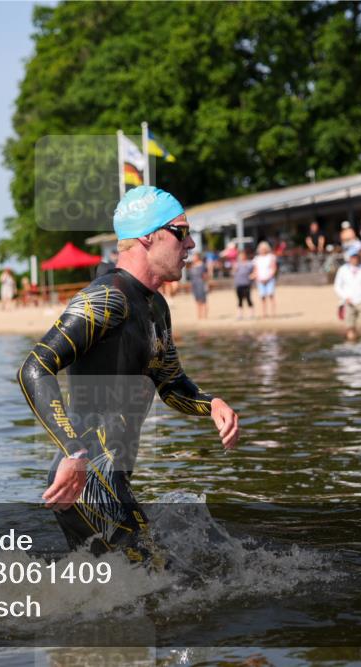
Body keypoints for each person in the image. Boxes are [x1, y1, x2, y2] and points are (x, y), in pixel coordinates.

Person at [17, 185, 240, 560]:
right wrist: (73, 452)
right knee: (160, 588)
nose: (191, 246)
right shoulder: (105, 299)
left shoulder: (156, 308)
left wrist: (211, 403)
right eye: (181, 232)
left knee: (119, 598)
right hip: (88, 478)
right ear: (148, 237)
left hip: (108, 478)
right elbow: (34, 367)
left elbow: (170, 383)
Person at [333, 243, 361, 341]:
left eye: (356, 256)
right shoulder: (342, 270)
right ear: (349, 258)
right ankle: (352, 345)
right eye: (353, 256)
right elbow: (337, 286)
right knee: (350, 327)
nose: (355, 258)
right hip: (349, 301)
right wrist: (344, 297)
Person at [253, 241, 277, 318]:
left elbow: (274, 268)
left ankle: (273, 313)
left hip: (269, 279)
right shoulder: (257, 258)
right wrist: (257, 277)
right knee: (262, 297)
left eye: (264, 248)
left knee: (271, 295)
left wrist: (269, 277)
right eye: (261, 249)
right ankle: (264, 314)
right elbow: (255, 270)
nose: (262, 250)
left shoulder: (271, 257)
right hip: (260, 280)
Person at [233, 248, 256, 320]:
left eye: (242, 255)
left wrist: (253, 276)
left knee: (248, 299)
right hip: (239, 284)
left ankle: (251, 314)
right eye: (240, 255)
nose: (241, 257)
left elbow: (255, 271)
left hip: (247, 284)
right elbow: (233, 273)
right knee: (239, 300)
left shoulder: (249, 263)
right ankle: (240, 315)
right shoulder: (237, 264)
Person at [187, 254, 209, 320]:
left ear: (198, 257)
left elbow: (205, 276)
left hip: (201, 284)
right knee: (197, 300)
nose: (193, 258)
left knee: (203, 300)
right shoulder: (192, 266)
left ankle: (205, 315)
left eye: (194, 257)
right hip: (194, 285)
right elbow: (191, 277)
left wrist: (206, 285)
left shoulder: (202, 265)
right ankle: (199, 315)